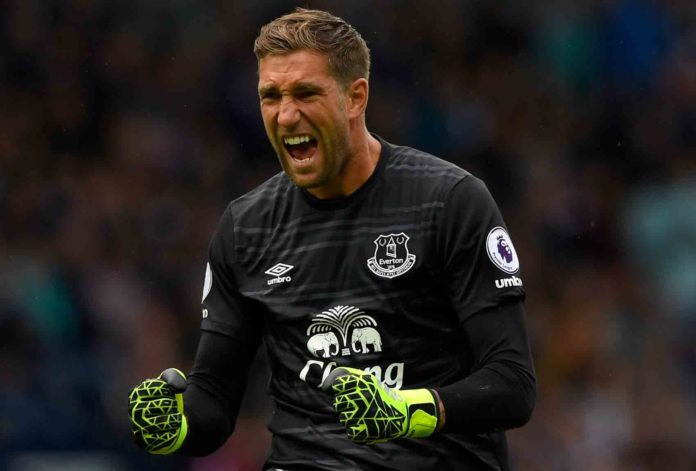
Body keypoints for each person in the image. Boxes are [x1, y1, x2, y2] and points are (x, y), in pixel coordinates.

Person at [128, 8, 536, 470]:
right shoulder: (246, 227)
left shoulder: (449, 201)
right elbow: (214, 398)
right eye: (271, 96)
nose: (286, 115)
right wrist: (177, 425)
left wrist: (407, 411)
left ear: (355, 97)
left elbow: (512, 384)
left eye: (306, 93)